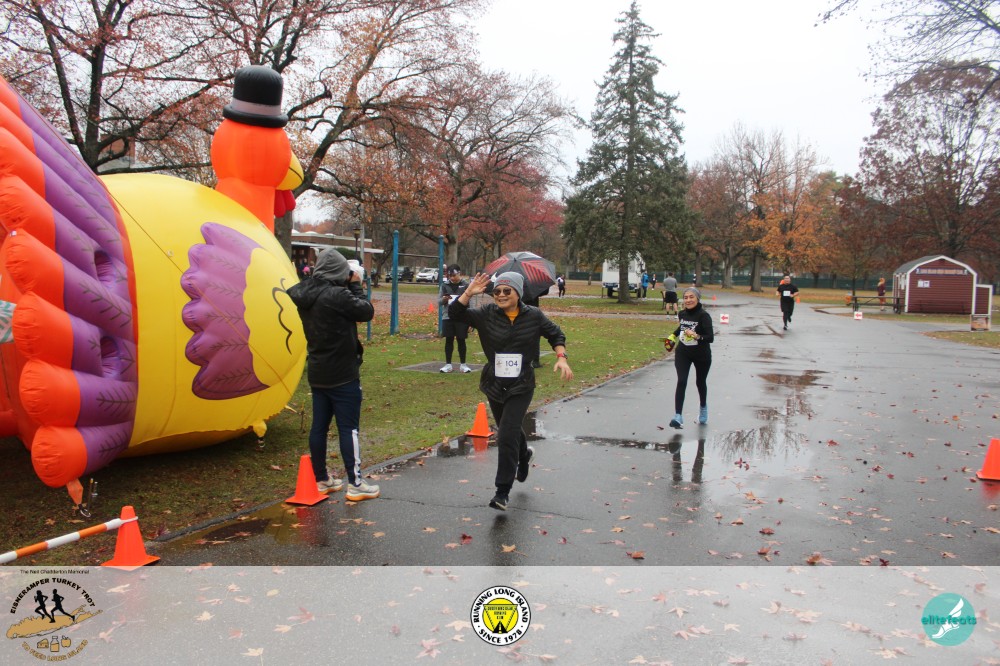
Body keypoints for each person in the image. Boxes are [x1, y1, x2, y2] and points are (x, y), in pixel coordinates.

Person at [449, 271, 573, 511]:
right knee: (510, 429)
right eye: (497, 291)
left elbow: (556, 334)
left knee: (506, 433)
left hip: (521, 383)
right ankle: (523, 455)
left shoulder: (533, 315)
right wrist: (468, 292)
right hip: (494, 383)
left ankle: (502, 492)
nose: (501, 295)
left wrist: (561, 357)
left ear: (518, 293)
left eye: (507, 291)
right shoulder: (486, 314)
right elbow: (455, 314)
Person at [288, 248, 380, 501]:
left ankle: (321, 479)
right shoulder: (337, 295)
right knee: (348, 428)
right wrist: (356, 285)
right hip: (343, 372)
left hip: (319, 369)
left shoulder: (305, 293)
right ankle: (356, 483)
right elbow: (366, 311)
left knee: (319, 427)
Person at [664, 287, 714, 428]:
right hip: (683, 352)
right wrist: (672, 337)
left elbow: (710, 338)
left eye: (691, 297)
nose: (688, 300)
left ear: (697, 298)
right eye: (686, 297)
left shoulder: (704, 316)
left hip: (701, 354)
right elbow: (681, 328)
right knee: (682, 381)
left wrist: (697, 336)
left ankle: (703, 408)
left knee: (700, 382)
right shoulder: (682, 314)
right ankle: (678, 416)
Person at [439, 264, 471, 373]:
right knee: (449, 340)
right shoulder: (444, 285)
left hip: (462, 317)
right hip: (447, 316)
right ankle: (448, 364)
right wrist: (444, 299)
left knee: (461, 340)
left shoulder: (466, 285)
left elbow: (470, 302)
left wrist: (470, 319)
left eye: (454, 275)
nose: (452, 278)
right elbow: (439, 301)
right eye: (450, 275)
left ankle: (463, 365)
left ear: (459, 273)